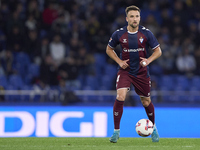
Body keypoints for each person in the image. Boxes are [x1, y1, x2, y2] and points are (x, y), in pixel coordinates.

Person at [106, 5, 162, 143]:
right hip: (125, 70)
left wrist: (148, 61)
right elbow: (109, 49)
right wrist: (119, 61)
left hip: (142, 72)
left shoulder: (146, 33)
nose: (135, 19)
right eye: (132, 16)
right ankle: (116, 132)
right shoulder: (119, 34)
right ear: (127, 19)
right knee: (120, 96)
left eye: (137, 16)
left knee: (146, 101)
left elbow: (158, 51)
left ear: (140, 18)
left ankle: (153, 128)